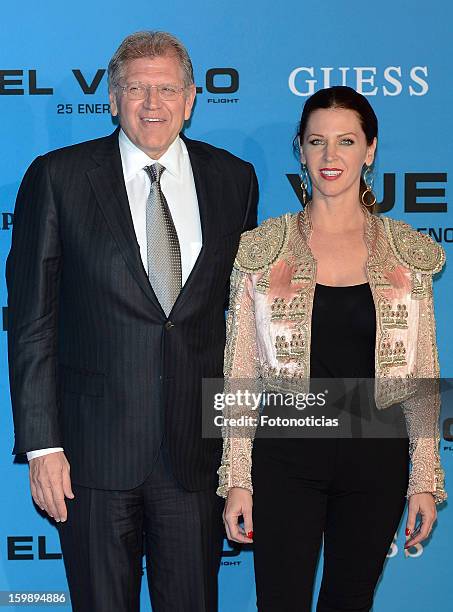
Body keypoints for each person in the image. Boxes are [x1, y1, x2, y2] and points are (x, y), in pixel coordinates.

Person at [7, 30, 258, 612]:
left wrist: (241, 454)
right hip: (90, 458)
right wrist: (43, 446)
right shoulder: (59, 177)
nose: (152, 104)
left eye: (166, 89)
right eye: (136, 89)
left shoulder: (233, 180)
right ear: (113, 98)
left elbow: (243, 327)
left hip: (194, 454)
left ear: (191, 98)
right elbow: (31, 323)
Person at [218, 86, 446, 611]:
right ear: (300, 149)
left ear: (369, 150)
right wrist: (237, 478)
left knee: (350, 601)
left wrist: (425, 480)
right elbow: (241, 373)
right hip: (285, 454)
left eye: (346, 141)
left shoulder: (407, 253)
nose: (330, 156)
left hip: (376, 457)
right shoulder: (262, 249)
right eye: (317, 141)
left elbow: (421, 371)